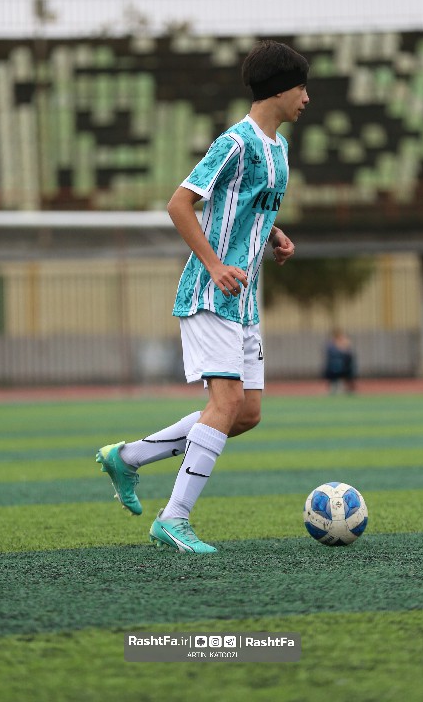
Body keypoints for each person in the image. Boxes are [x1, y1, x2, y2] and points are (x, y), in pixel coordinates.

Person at [96, 39, 310, 553]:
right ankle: (174, 518)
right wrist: (214, 264)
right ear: (279, 90)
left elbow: (250, 207)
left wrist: (273, 233)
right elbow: (179, 204)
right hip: (210, 293)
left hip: (244, 301)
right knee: (226, 402)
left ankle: (127, 458)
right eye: (302, 88)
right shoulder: (235, 142)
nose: (307, 98)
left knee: (246, 413)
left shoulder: (279, 149)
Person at [323, 329, 357, 394]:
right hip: (334, 366)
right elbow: (331, 354)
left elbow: (349, 355)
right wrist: (341, 349)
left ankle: (349, 388)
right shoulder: (331, 344)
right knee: (333, 372)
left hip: (345, 366)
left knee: (348, 373)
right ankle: (333, 388)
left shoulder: (345, 344)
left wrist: (344, 347)